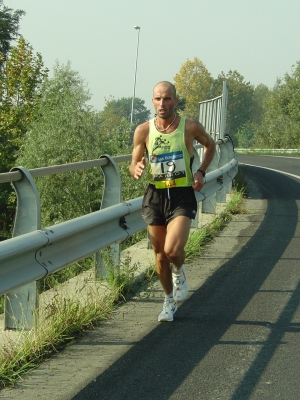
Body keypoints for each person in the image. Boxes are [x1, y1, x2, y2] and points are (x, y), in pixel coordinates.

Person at [129, 81, 216, 322]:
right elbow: (132, 164)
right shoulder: (143, 131)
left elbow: (210, 146)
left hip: (181, 195)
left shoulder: (190, 127)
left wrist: (201, 171)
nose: (162, 103)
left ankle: (179, 271)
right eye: (157, 98)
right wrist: (135, 168)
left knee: (172, 250)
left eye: (167, 99)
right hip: (155, 195)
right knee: (159, 255)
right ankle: (168, 300)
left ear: (175, 101)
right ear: (152, 101)